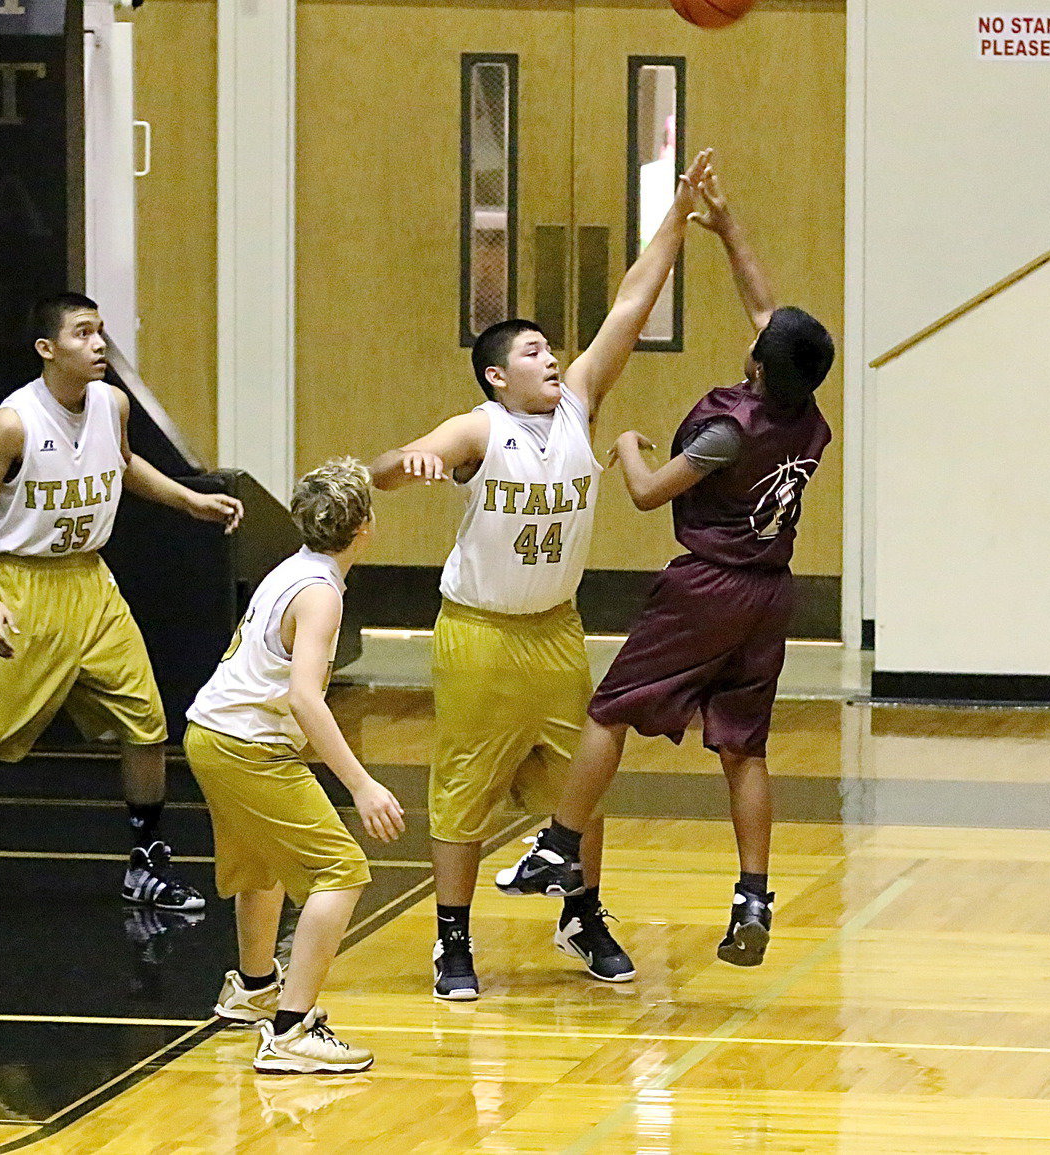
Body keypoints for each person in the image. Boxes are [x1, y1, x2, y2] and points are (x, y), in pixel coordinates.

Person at [370, 149, 713, 1001]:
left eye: (550, 346)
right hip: (480, 632)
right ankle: (452, 940)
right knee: (464, 786)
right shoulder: (478, 428)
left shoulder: (579, 401)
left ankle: (582, 914)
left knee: (580, 786)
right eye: (532, 350)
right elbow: (382, 465)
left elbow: (633, 300)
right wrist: (400, 463)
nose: (552, 355)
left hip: (557, 629)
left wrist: (677, 216)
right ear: (497, 374)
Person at [495, 163, 835, 970]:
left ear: (757, 363)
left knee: (609, 709)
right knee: (744, 750)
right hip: (771, 594)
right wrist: (726, 227)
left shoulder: (730, 429)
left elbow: (649, 494)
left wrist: (623, 447)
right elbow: (768, 308)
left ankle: (557, 845)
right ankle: (754, 892)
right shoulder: (805, 408)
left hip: (709, 586)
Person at [0, 292, 244, 911]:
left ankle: (144, 865)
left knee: (146, 723)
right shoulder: (14, 422)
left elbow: (123, 464)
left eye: (101, 331)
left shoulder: (112, 403)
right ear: (48, 349)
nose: (99, 344)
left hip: (92, 584)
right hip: (22, 584)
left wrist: (188, 499)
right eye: (83, 333)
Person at [185, 457, 405, 1074]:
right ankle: (291, 1029)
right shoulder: (321, 595)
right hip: (245, 744)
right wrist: (361, 785)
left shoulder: (293, 567)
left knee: (264, 866)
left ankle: (254, 988)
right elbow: (306, 697)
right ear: (365, 525)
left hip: (211, 732)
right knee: (343, 871)